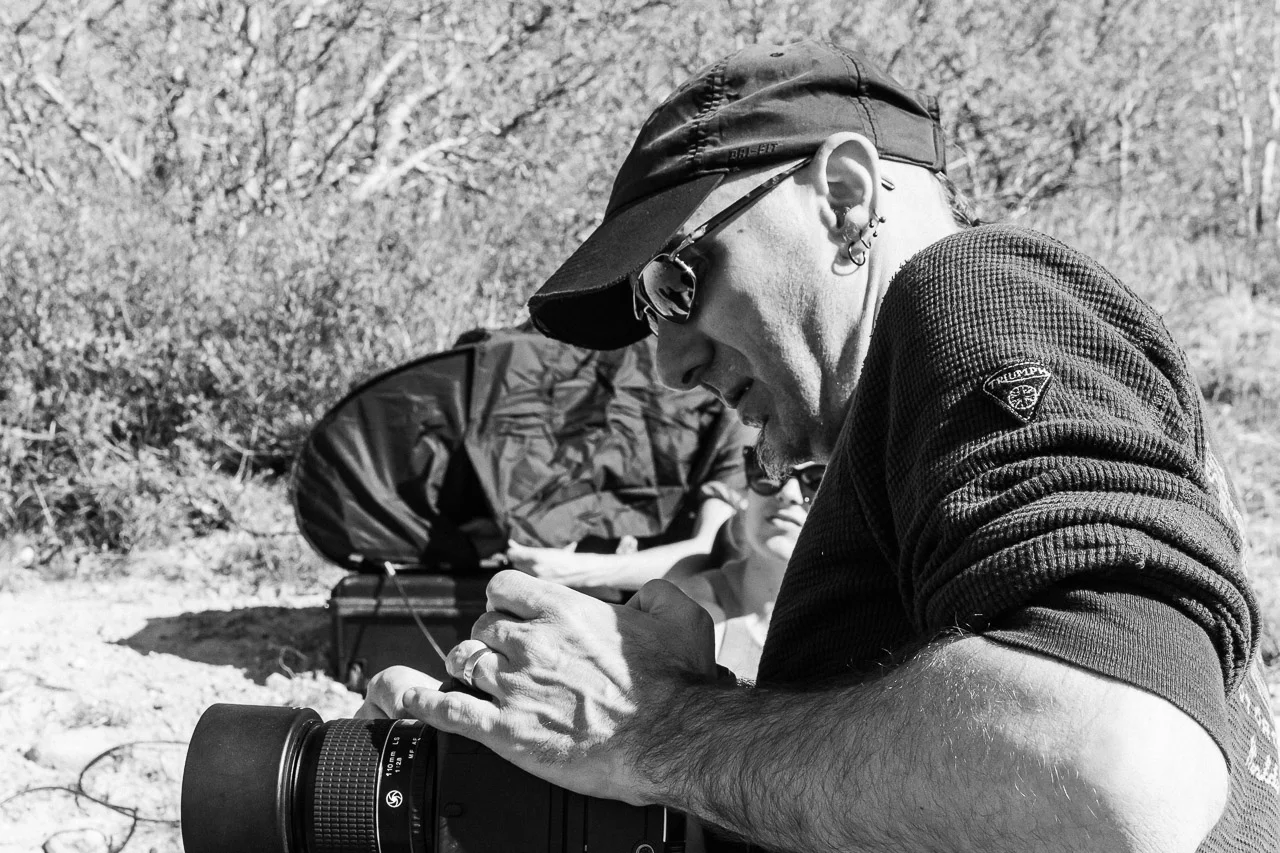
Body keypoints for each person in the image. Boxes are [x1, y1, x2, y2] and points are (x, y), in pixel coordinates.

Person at [359, 40, 1279, 851]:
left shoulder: (974, 291)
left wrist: (653, 728)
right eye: (648, 313)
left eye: (676, 281)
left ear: (841, 196)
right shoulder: (900, 415)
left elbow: (1122, 776)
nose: (671, 362)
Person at [673, 446, 819, 681]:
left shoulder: (863, 626)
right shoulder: (697, 611)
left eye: (818, 480)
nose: (788, 493)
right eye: (769, 472)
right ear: (743, 499)